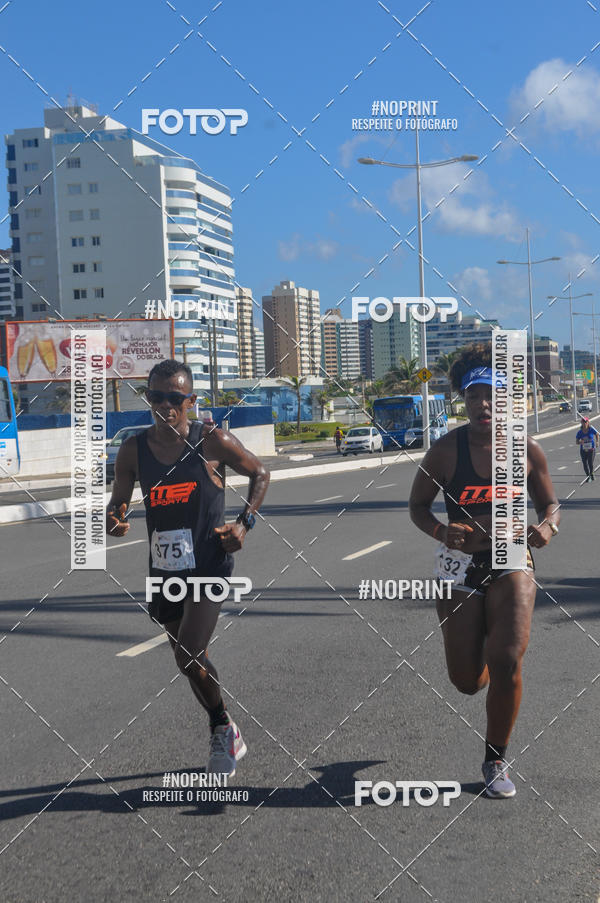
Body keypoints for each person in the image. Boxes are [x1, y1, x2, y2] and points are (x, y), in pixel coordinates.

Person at [409, 343, 560, 799]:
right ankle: (486, 670)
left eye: (491, 395)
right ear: (465, 399)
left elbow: (549, 504)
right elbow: (417, 507)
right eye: (474, 396)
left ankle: (496, 758)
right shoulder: (444, 452)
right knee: (466, 681)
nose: (483, 405)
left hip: (513, 558)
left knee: (508, 656)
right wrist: (440, 530)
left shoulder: (524, 448)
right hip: (460, 567)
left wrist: (549, 526)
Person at [106, 359, 270, 778]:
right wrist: (115, 516)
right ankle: (227, 725)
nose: (165, 406)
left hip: (210, 565)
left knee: (189, 651)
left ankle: (220, 727)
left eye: (174, 399)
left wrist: (244, 523)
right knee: (191, 662)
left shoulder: (212, 441)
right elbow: (118, 500)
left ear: (191, 401)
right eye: (156, 397)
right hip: (164, 571)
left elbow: (260, 472)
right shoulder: (132, 451)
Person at [575, 415, 598, 481]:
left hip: (591, 449)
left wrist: (597, 442)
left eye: (586, 422)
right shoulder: (579, 432)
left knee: (590, 463)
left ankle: (592, 473)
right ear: (581, 423)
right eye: (583, 422)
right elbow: (576, 442)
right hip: (583, 450)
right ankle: (588, 476)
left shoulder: (591, 429)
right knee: (585, 463)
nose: (585, 423)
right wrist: (580, 442)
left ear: (588, 422)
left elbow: (596, 434)